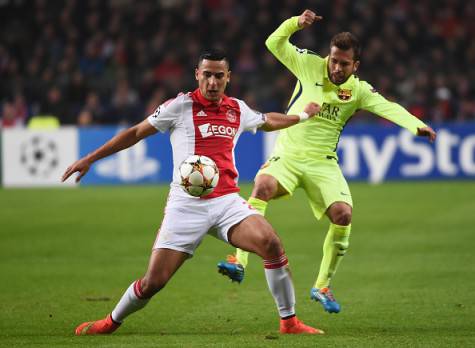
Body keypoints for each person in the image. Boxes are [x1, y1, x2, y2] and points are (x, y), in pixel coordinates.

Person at [62, 50, 324, 335]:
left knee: (271, 243)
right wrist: (90, 157)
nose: (212, 82)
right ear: (197, 74)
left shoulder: (237, 109)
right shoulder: (180, 106)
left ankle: (290, 323)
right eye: (207, 75)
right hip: (186, 206)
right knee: (154, 282)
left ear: (228, 78)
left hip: (226, 202)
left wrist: (302, 116)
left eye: (219, 76)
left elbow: (267, 120)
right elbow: (136, 132)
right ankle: (110, 322)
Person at [217, 10, 437, 314]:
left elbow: (388, 107)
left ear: (355, 65)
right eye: (333, 60)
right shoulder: (309, 65)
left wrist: (416, 125)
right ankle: (238, 260)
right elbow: (273, 43)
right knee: (263, 184)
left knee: (343, 214)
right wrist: (296, 23)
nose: (335, 67)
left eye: (344, 64)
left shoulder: (358, 90)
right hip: (289, 156)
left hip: (323, 163)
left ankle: (322, 285)